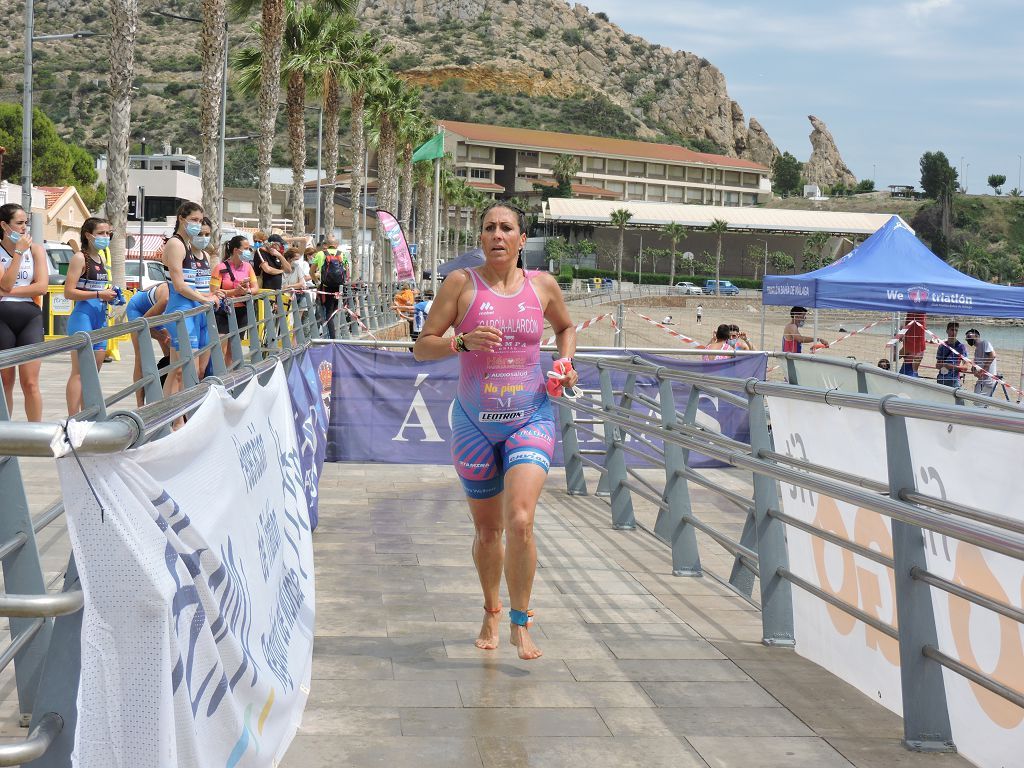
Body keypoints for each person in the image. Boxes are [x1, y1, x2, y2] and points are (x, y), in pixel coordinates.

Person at [413, 202, 578, 661]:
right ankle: (491, 609)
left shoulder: (542, 286)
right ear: (480, 239)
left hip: (531, 416)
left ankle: (521, 622)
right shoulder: (461, 285)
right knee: (489, 533)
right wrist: (459, 341)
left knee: (521, 520)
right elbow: (422, 348)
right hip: (473, 426)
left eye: (507, 228)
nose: (498, 235)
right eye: (490, 229)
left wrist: (565, 363)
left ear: (523, 239)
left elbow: (565, 327)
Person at [162, 203, 220, 407]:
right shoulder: (176, 244)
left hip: (193, 311)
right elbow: (179, 286)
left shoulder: (187, 245)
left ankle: (171, 416)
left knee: (181, 371)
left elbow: (194, 285)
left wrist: (209, 295)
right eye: (194, 220)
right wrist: (206, 299)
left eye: (200, 220)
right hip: (181, 312)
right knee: (183, 370)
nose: (197, 224)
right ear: (181, 218)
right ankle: (177, 420)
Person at [64, 217, 118, 414]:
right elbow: (68, 292)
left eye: (108, 234)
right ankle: (73, 418)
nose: (106, 237)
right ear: (88, 235)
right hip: (83, 317)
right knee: (79, 372)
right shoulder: (80, 257)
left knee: (93, 374)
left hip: (99, 318)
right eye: (101, 233)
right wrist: (98, 294)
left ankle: (87, 416)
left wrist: (109, 295)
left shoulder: (101, 258)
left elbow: (98, 288)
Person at [0, 203, 47, 421]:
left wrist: (7, 290)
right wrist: (18, 252)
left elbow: (41, 287)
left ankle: (36, 434)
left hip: (30, 317)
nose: (24, 229)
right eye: (19, 224)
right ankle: (5, 436)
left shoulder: (36, 250)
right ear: (4, 225)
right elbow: (6, 281)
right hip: (3, 319)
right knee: (5, 382)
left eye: (25, 223)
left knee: (30, 382)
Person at [211, 235, 259, 369]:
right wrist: (234, 292)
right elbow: (214, 291)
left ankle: (230, 381)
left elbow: (256, 288)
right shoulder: (220, 267)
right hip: (223, 311)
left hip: (241, 312)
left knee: (233, 350)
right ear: (236, 250)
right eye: (247, 248)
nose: (249, 251)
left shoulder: (248, 267)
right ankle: (218, 377)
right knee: (221, 348)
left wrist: (247, 292)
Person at [125, 281, 171, 406]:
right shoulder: (166, 298)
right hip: (138, 311)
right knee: (141, 356)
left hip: (157, 312)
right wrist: (161, 337)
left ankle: (164, 395)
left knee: (171, 354)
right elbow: (143, 326)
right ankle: (140, 405)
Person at [965, 328, 998, 396]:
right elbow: (975, 365)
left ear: (977, 336)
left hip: (989, 381)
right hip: (981, 381)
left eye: (969, 336)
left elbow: (992, 355)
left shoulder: (984, 343)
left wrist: (983, 370)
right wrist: (974, 370)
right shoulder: (976, 350)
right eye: (967, 338)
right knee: (976, 401)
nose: (968, 339)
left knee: (980, 403)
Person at [935, 322, 968, 388]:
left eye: (956, 330)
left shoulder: (961, 347)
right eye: (952, 330)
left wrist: (951, 367)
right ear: (947, 331)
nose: (954, 332)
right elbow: (937, 365)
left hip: (954, 380)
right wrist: (944, 365)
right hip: (941, 379)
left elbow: (965, 367)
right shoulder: (942, 346)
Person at [898, 312, 927, 376]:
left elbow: (895, 357)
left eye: (901, 331)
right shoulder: (920, 345)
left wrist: (895, 343)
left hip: (907, 373)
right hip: (914, 372)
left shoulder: (909, 347)